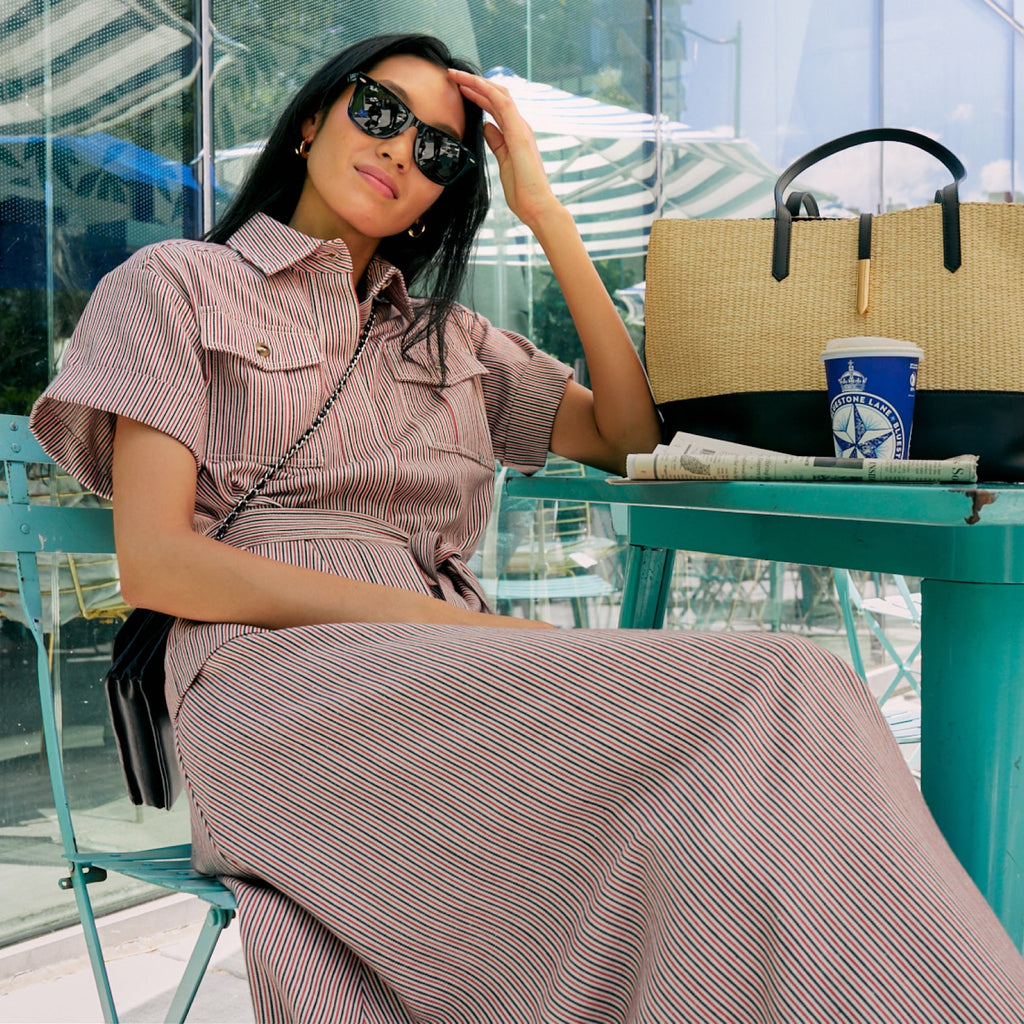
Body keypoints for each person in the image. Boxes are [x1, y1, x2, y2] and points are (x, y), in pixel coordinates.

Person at [29, 32, 1024, 1024]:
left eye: (439, 152)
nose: (400, 151)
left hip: (453, 680)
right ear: (309, 122)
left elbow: (628, 431)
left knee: (759, 759)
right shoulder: (173, 286)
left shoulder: (448, 339)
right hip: (270, 684)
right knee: (785, 682)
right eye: (380, 113)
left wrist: (544, 211)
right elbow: (157, 562)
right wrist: (462, 630)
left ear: (443, 196)